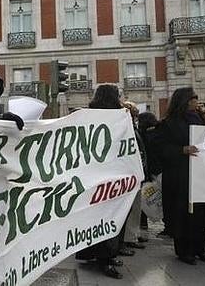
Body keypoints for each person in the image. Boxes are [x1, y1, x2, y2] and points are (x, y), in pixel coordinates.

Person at [155, 87, 205, 265]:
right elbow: (160, 148)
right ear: (185, 101)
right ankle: (184, 250)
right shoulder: (168, 123)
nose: (197, 101)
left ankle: (200, 249)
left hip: (198, 174)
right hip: (178, 175)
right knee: (182, 214)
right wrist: (182, 150)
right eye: (193, 98)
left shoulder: (200, 119)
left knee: (198, 214)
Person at [75, 84, 125, 279]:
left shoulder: (116, 115)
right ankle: (104, 259)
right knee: (105, 217)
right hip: (104, 175)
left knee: (107, 217)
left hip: (104, 175)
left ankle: (105, 255)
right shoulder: (107, 116)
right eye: (118, 94)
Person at [122, 102, 148, 250]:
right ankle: (129, 237)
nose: (134, 117)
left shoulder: (134, 128)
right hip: (130, 173)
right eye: (133, 115)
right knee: (130, 208)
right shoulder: (127, 128)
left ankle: (133, 235)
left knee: (136, 207)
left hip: (137, 172)